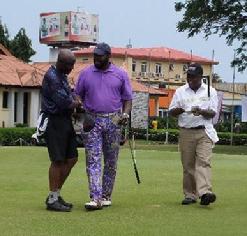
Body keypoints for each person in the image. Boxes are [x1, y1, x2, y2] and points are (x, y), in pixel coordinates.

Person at [75, 42, 133, 210]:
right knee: (93, 159)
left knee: (111, 161)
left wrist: (125, 115)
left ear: (109, 56)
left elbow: (127, 99)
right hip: (92, 120)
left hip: (114, 120)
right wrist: (80, 106)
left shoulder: (120, 74)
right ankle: (95, 197)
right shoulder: (86, 74)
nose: (96, 59)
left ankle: (106, 195)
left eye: (99, 56)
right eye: (95, 56)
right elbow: (78, 94)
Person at [169, 63, 219, 206]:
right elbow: (171, 111)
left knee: (204, 162)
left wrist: (201, 111)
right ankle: (190, 194)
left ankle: (205, 193)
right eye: (188, 76)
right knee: (188, 165)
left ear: (200, 77)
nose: (190, 79)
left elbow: (212, 113)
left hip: (204, 130)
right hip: (186, 131)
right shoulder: (180, 91)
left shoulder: (210, 91)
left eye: (193, 77)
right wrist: (179, 109)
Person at [41, 49, 82, 212]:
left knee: (72, 158)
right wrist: (77, 103)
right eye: (70, 65)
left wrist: (74, 97)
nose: (72, 68)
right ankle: (52, 199)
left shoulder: (62, 76)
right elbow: (64, 103)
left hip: (65, 121)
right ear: (62, 63)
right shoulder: (52, 77)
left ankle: (55, 194)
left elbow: (70, 94)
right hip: (54, 121)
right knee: (57, 160)